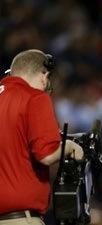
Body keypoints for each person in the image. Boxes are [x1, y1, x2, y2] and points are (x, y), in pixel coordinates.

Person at [0, 49, 84, 225]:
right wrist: (69, 146)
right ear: (44, 75)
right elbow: (46, 154)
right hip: (20, 219)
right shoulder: (35, 97)